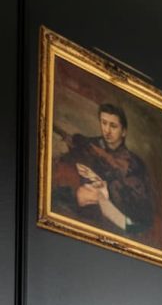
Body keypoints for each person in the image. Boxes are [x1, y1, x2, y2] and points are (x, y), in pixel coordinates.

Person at [52, 103, 154, 241]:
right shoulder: (89, 145)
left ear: (124, 131)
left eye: (113, 126)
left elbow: (140, 207)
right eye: (104, 123)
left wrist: (106, 194)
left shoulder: (135, 163)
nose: (107, 130)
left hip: (119, 217)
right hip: (88, 209)